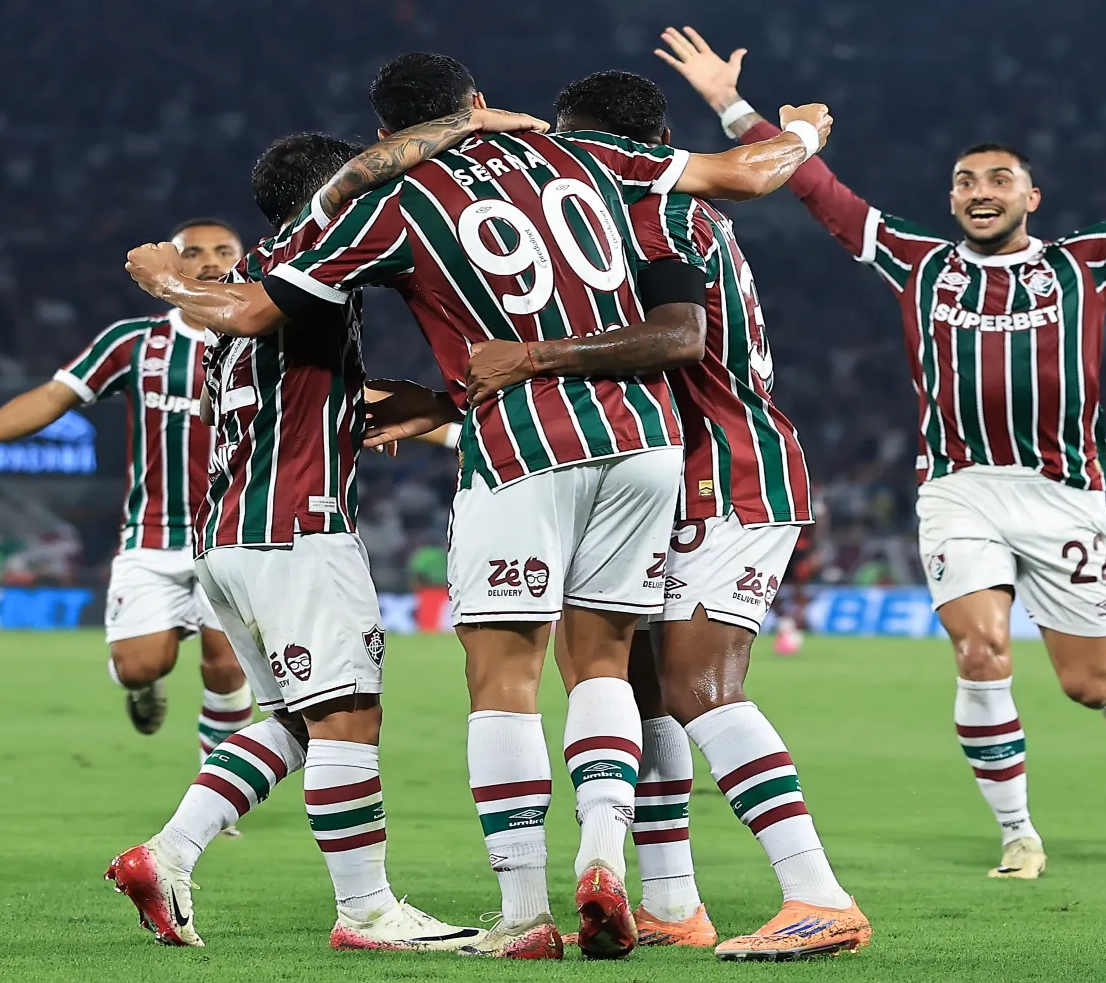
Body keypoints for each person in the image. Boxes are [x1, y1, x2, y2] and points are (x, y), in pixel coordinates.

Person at [123, 51, 831, 960]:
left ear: (387, 138)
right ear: (481, 103)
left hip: (505, 446)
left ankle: (521, 913)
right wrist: (799, 126)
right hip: (648, 438)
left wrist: (168, 279)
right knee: (607, 662)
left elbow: (260, 305)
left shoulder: (384, 204)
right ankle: (611, 860)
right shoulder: (578, 157)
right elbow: (740, 178)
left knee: (500, 681)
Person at [659, 26, 1106, 879]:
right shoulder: (918, 263)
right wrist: (728, 102)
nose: (979, 191)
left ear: (1032, 197)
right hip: (958, 488)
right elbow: (815, 187)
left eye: (999, 180)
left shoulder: (1088, 262)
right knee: (981, 652)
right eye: (965, 181)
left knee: (1083, 681)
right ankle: (1018, 833)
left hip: (1063, 495)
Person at [108, 107, 545, 953]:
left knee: (300, 724)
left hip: (228, 538)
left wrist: (427, 402)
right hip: (295, 529)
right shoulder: (306, 262)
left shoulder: (273, 281)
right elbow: (354, 184)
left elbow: (305, 385)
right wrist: (470, 120)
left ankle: (167, 854)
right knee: (348, 719)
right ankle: (369, 911)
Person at [528, 70, 870, 960]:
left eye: (571, 144)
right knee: (644, 691)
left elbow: (666, 341)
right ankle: (674, 903)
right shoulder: (672, 219)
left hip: (729, 469)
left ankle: (818, 895)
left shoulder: (649, 211)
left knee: (696, 683)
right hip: (677, 474)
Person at [0, 218, 256, 768]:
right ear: (172, 263)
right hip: (153, 533)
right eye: (193, 253)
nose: (210, 262)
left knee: (227, 665)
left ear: (244, 259)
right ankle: (143, 688)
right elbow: (52, 399)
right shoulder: (137, 343)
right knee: (141, 665)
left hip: (237, 532)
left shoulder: (266, 336)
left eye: (223, 251)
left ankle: (216, 793)